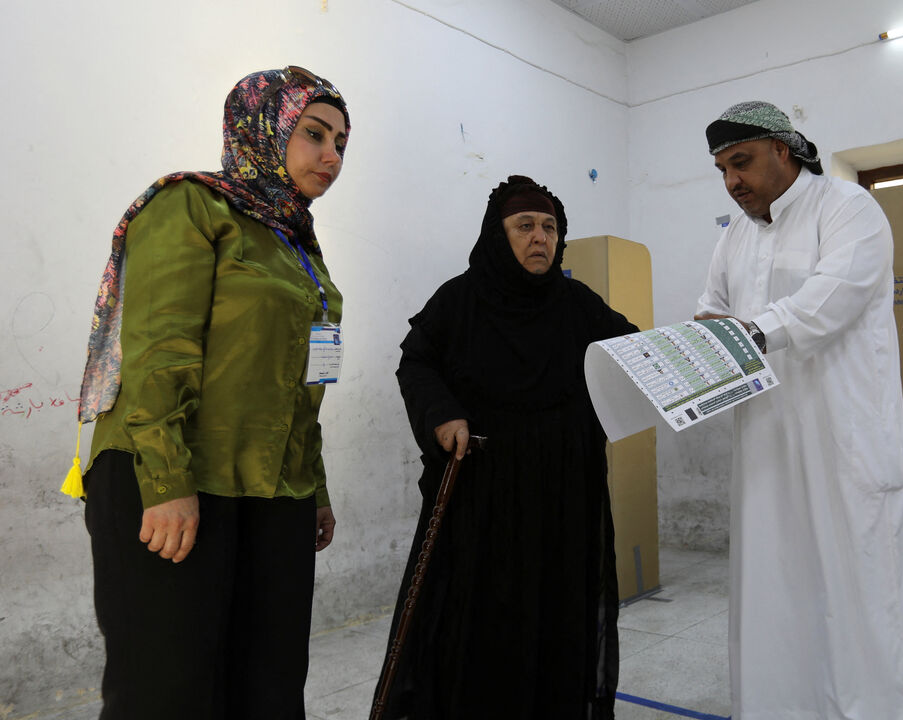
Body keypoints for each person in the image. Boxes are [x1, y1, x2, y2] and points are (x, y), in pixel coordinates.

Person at [72, 66, 350, 719]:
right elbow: (159, 348)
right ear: (264, 128)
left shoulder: (299, 247)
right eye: (314, 134)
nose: (332, 156)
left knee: (271, 686)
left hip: (273, 493)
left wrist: (313, 487)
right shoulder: (191, 205)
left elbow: (303, 387)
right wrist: (167, 482)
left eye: (342, 141)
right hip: (170, 481)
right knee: (168, 691)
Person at [695, 100, 903, 720]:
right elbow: (713, 307)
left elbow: (834, 296)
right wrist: (697, 344)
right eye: (722, 169)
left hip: (842, 435)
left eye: (740, 162)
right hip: (767, 437)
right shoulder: (734, 235)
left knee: (858, 584)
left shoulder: (848, 208)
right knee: (775, 584)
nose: (732, 181)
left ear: (783, 150)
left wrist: (751, 331)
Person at [379, 175, 637, 719]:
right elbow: (416, 362)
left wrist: (698, 347)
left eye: (549, 228)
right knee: (480, 618)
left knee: (558, 611)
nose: (540, 238)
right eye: (525, 226)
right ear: (497, 236)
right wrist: (443, 413)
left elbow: (632, 350)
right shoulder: (459, 299)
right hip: (484, 489)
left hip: (565, 490)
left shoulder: (576, 303)